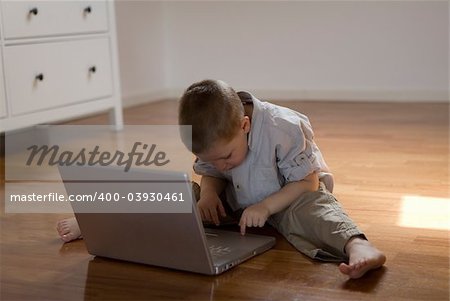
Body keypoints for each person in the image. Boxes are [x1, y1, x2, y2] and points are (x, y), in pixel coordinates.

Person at [177, 79, 385, 279]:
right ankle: (153, 225)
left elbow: (308, 183)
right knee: (186, 194)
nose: (220, 166)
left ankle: (357, 245)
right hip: (239, 198)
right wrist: (209, 194)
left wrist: (266, 207)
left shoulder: (283, 128)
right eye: (210, 160)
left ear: (244, 126)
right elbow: (212, 173)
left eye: (226, 157)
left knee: (313, 211)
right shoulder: (214, 140)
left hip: (291, 195)